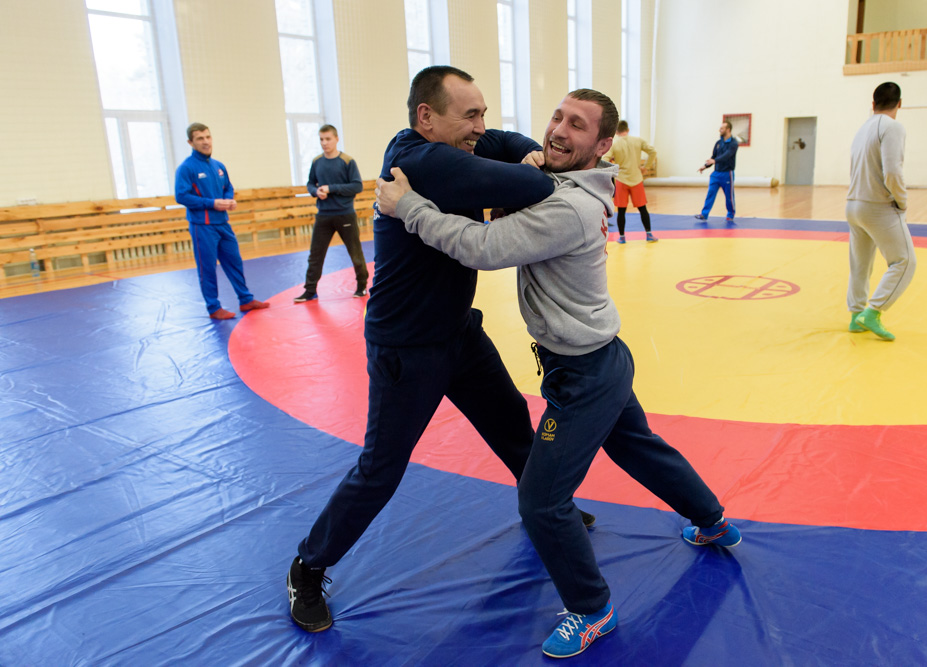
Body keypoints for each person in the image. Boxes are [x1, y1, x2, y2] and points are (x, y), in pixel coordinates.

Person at [377, 89, 740, 660]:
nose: (558, 131)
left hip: (585, 375)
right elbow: (518, 185)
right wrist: (526, 165)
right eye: (557, 117)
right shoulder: (565, 185)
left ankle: (592, 608)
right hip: (604, 358)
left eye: (578, 126)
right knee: (640, 448)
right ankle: (713, 520)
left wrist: (410, 208)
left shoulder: (567, 206)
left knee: (541, 501)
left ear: (600, 147)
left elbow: (482, 245)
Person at [286, 66, 595, 635]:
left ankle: (549, 513)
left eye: (482, 113)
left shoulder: (459, 142)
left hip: (459, 332)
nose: (481, 126)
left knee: (513, 431)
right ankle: (308, 566)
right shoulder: (423, 162)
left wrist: (524, 153)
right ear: (426, 117)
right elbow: (535, 183)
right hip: (407, 347)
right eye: (468, 116)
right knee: (381, 470)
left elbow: (517, 149)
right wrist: (532, 168)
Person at [174, 123, 270, 319]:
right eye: (200, 138)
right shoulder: (186, 168)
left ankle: (245, 299)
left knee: (234, 260)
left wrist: (229, 200)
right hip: (202, 226)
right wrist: (212, 203)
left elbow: (228, 187)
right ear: (190, 142)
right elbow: (181, 196)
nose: (206, 141)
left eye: (208, 137)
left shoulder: (218, 166)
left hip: (222, 224)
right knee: (207, 267)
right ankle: (213, 307)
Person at [845, 82, 914, 341]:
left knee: (860, 265)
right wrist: (902, 201)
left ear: (872, 104)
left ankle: (856, 315)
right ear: (899, 104)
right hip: (877, 207)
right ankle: (873, 312)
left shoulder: (862, 129)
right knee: (905, 261)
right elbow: (893, 172)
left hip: (853, 204)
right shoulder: (893, 127)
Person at [294, 125, 369, 302]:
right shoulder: (317, 161)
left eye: (327, 139)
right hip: (324, 215)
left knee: (355, 252)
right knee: (315, 254)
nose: (324, 143)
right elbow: (310, 183)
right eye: (321, 139)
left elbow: (357, 186)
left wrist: (331, 188)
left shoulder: (347, 161)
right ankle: (310, 290)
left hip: (345, 214)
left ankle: (362, 286)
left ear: (336, 139)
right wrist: (315, 191)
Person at [603, 120, 658, 243]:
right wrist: (646, 167)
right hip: (636, 178)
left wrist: (613, 169)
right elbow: (653, 151)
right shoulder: (638, 140)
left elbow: (605, 158)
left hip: (621, 179)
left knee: (621, 210)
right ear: (627, 130)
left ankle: (622, 237)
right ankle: (649, 234)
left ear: (616, 132)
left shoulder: (615, 144)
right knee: (642, 208)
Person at [694, 120, 738, 226]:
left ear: (728, 130)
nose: (719, 130)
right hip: (716, 174)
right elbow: (714, 157)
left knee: (729, 196)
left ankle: (730, 214)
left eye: (722, 128)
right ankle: (704, 214)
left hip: (727, 174)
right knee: (710, 193)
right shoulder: (718, 143)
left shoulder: (733, 143)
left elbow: (727, 155)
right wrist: (705, 166)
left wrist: (715, 161)